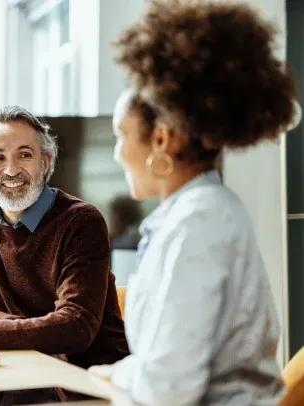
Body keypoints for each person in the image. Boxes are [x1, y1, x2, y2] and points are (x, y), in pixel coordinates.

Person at [89, 0, 296, 404]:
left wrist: (120, 377)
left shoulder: (199, 223)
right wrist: (126, 372)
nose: (116, 153)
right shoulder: (198, 214)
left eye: (120, 135)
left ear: (162, 140)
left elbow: (168, 389)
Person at [0, 105, 128, 368]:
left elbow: (76, 326)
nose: (11, 170)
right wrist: (25, 331)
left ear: (46, 162)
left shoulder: (82, 221)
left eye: (25, 155)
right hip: (14, 362)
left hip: (85, 376)